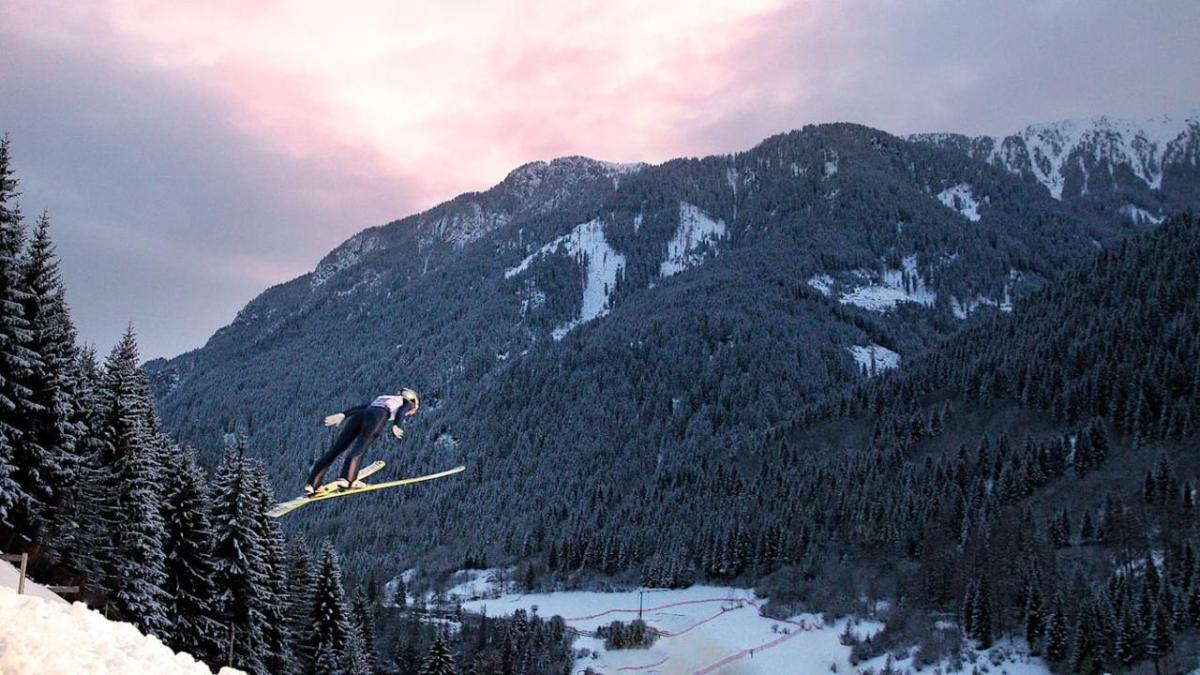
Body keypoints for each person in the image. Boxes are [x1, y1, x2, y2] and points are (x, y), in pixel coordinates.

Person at [304, 388, 420, 494]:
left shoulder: (385, 398)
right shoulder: (408, 403)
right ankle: (348, 479)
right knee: (361, 445)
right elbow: (401, 412)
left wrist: (343, 414)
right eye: (412, 411)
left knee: (337, 448)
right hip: (377, 416)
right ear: (413, 401)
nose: (410, 413)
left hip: (362, 414)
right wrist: (396, 425)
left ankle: (313, 484)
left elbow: (362, 407)